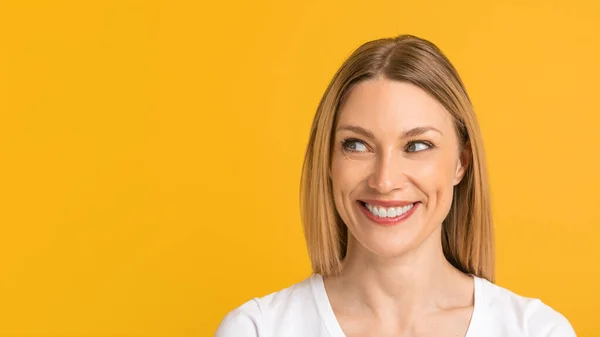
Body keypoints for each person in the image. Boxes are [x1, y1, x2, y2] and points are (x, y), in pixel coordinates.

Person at [214, 34, 576, 337]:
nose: (384, 181)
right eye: (357, 144)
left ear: (461, 164)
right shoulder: (258, 329)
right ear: (328, 161)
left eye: (417, 146)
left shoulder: (536, 331)